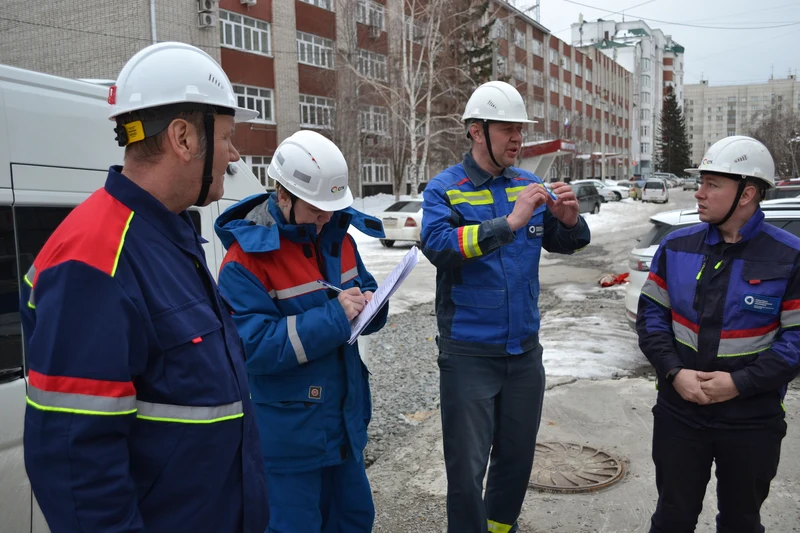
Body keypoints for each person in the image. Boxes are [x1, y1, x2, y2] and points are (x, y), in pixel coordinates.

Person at [21, 42, 268, 533]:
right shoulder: (94, 257)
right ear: (183, 138)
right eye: (228, 137)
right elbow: (77, 467)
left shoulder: (168, 233)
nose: (235, 155)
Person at [420, 80, 591, 533]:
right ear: (477, 131)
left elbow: (562, 242)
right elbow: (437, 245)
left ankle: (501, 528)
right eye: (508, 129)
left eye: (521, 129)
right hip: (469, 353)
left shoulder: (530, 183)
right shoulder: (445, 189)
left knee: (516, 459)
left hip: (523, 352)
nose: (518, 138)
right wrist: (509, 222)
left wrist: (571, 223)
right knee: (466, 470)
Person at [214, 130, 388, 533]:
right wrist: (334, 317)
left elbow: (364, 288)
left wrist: (374, 307)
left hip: (343, 426)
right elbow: (251, 347)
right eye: (316, 209)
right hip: (289, 440)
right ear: (283, 196)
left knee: (354, 520)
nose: (325, 218)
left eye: (332, 208)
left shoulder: (337, 238)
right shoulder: (246, 261)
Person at [637, 135, 800, 532]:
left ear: (746, 193)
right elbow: (652, 319)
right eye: (701, 182)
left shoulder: (789, 256)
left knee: (741, 522)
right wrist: (675, 373)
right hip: (680, 412)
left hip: (751, 419)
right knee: (672, 517)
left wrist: (740, 384)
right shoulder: (676, 247)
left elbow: (796, 341)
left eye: (712, 184)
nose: (699, 193)